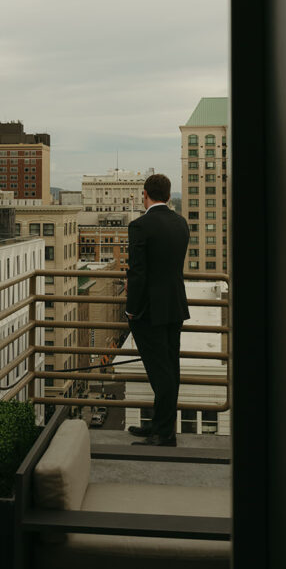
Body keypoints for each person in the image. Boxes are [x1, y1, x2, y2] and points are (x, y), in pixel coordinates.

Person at [125, 173, 190, 446]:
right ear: (167, 194)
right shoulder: (181, 223)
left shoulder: (140, 225)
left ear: (145, 194)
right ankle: (160, 426)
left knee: (159, 371)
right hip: (174, 306)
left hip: (149, 310)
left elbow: (138, 273)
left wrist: (131, 309)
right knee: (170, 367)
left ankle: (164, 433)